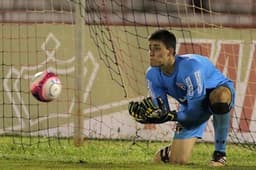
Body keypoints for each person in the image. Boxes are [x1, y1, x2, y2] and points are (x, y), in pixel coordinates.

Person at [128, 29, 235, 166]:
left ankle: (220, 154)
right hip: (192, 104)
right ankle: (172, 151)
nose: (151, 53)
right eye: (150, 49)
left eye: (157, 48)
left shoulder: (190, 68)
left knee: (220, 97)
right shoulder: (152, 75)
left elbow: (194, 113)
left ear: (170, 51)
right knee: (177, 161)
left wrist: (173, 116)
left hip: (214, 92)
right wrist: (148, 117)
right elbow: (163, 111)